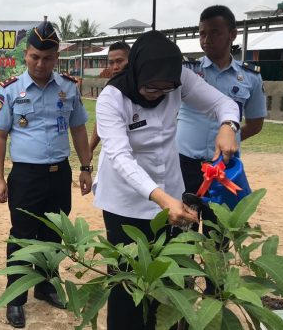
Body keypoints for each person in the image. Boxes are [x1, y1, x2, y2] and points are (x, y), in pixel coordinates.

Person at [93, 30, 240, 329]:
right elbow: (120, 157)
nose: (159, 94)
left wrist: (228, 126)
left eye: (166, 89)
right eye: (151, 88)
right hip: (125, 201)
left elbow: (223, 103)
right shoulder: (111, 98)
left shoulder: (179, 80)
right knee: (129, 278)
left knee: (170, 276)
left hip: (170, 189)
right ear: (137, 71)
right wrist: (162, 199)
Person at [0, 21, 93, 328]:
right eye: (34, 57)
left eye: (47, 58)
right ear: (26, 55)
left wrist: (86, 167)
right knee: (21, 237)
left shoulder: (68, 87)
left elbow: (78, 129)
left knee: (53, 234)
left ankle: (46, 285)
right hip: (25, 176)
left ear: (56, 58)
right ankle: (16, 298)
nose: (40, 64)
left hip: (59, 173)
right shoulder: (10, 91)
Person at [177, 5, 266, 293]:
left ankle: (215, 293)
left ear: (232, 33)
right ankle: (182, 292)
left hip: (223, 171)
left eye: (214, 32)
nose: (207, 39)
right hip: (185, 165)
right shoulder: (187, 71)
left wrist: (230, 145)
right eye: (202, 33)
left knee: (219, 236)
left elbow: (254, 123)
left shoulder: (250, 77)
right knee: (182, 232)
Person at [89, 41, 130, 157]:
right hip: (114, 155)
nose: (115, 67)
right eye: (111, 63)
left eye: (119, 61)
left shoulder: (142, 88)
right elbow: (101, 119)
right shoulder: (109, 91)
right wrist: (90, 148)